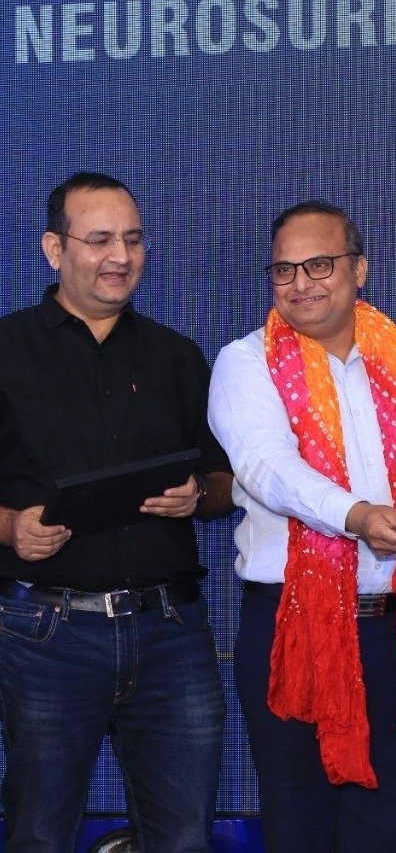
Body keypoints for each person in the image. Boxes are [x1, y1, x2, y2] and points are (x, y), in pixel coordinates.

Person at [208, 200, 396, 852]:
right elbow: (267, 467)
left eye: (320, 265)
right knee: (297, 825)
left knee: (379, 826)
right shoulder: (245, 361)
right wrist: (356, 517)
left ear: (359, 269)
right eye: (284, 270)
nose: (301, 283)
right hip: (291, 627)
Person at [0, 172, 233, 852]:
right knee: (40, 833)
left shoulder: (176, 355)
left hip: (171, 634)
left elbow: (224, 482)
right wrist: (10, 527)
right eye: (99, 239)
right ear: (54, 248)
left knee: (183, 837)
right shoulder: (6, 350)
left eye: (133, 239)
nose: (121, 256)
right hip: (45, 635)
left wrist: (199, 495)